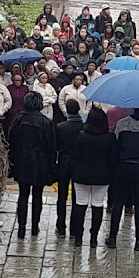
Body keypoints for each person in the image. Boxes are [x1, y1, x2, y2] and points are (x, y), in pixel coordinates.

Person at [106, 109, 139, 251]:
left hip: (123, 166)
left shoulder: (122, 124)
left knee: (118, 201)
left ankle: (112, 237)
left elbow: (116, 142)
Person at [9, 91, 56, 238]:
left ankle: (21, 227)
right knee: (38, 194)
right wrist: (51, 165)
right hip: (40, 161)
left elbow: (11, 139)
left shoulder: (19, 119)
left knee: (23, 194)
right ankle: (35, 226)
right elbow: (51, 146)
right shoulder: (46, 122)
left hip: (22, 159)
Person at [72, 108, 117, 247]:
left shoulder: (81, 136)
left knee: (80, 204)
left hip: (82, 175)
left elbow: (75, 156)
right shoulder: (110, 138)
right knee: (97, 204)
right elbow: (113, 160)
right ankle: (93, 238)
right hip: (102, 176)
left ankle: (78, 237)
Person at [55, 99, 84, 237]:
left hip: (64, 163)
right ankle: (74, 228)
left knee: (62, 196)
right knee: (77, 198)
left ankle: (60, 226)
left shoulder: (60, 127)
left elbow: (56, 147)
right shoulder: (84, 127)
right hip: (79, 164)